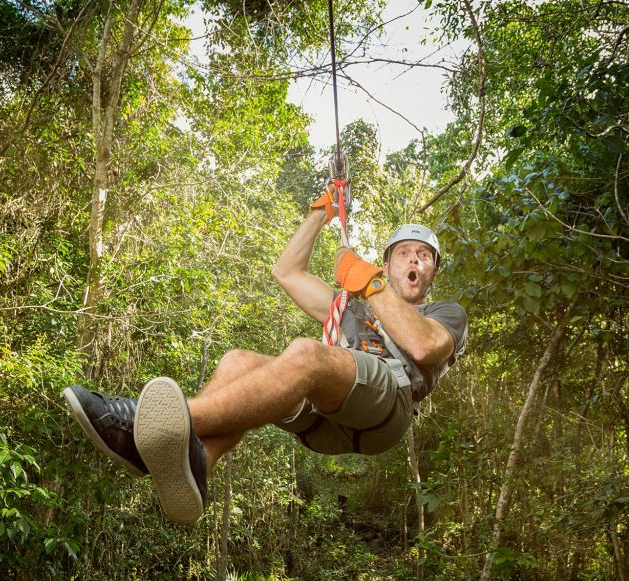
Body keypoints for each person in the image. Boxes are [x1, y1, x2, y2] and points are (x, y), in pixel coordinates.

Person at [63, 184, 468, 524]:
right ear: (389, 262)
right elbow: (287, 272)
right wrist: (320, 213)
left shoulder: (443, 313)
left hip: (386, 409)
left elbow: (423, 345)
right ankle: (199, 462)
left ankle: (140, 424)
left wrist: (370, 283)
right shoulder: (352, 308)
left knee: (308, 355)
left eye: (424, 256)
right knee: (238, 361)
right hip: (326, 421)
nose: (414, 260)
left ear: (432, 271)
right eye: (404, 253)